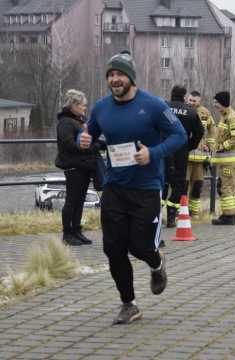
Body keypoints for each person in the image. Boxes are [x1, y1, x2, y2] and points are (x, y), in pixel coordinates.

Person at [79, 52, 187, 324]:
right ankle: (129, 304)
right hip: (115, 187)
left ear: (130, 77)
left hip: (147, 187)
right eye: (110, 75)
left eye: (119, 74)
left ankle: (156, 263)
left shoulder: (153, 105)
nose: (114, 79)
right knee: (113, 248)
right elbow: (90, 132)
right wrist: (85, 139)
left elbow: (179, 135)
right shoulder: (102, 107)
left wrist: (154, 153)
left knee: (140, 246)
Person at [55, 89, 104, 246]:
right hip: (74, 167)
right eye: (83, 105)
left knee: (79, 200)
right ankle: (67, 233)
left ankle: (76, 230)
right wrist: (92, 147)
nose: (85, 108)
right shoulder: (65, 122)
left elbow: (89, 140)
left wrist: (100, 144)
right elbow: (68, 143)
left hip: (83, 167)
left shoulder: (80, 121)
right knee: (72, 201)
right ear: (73, 105)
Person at [163, 85, 204, 228]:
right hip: (181, 151)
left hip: (164, 149)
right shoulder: (191, 112)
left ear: (171, 94)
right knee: (179, 184)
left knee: (162, 181)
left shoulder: (163, 107)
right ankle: (171, 216)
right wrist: (190, 145)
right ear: (184, 96)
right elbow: (199, 132)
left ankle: (155, 214)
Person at [211, 91, 235, 225]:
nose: (215, 106)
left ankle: (228, 216)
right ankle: (233, 214)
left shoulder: (231, 117)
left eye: (216, 103)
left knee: (225, 188)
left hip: (229, 161)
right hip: (226, 161)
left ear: (223, 103)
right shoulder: (224, 116)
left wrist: (223, 146)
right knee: (230, 187)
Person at [186, 91, 216, 219]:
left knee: (197, 185)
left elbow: (212, 130)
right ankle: (182, 211)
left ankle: (194, 212)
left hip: (199, 157)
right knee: (183, 185)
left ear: (199, 101)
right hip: (185, 156)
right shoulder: (184, 110)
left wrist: (209, 146)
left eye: (194, 101)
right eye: (190, 100)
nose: (192, 103)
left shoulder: (205, 112)